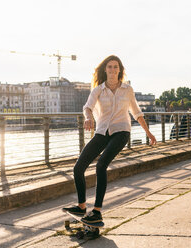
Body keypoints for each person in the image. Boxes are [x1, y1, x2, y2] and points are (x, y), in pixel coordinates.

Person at [63, 55, 156, 224]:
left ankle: (97, 211)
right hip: (102, 131)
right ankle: (82, 206)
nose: (112, 70)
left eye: (115, 67)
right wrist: (88, 117)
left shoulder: (127, 89)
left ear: (119, 70)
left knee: (101, 165)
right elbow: (87, 108)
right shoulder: (98, 90)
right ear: (105, 70)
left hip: (121, 131)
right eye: (110, 67)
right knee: (78, 167)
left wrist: (148, 133)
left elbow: (136, 112)